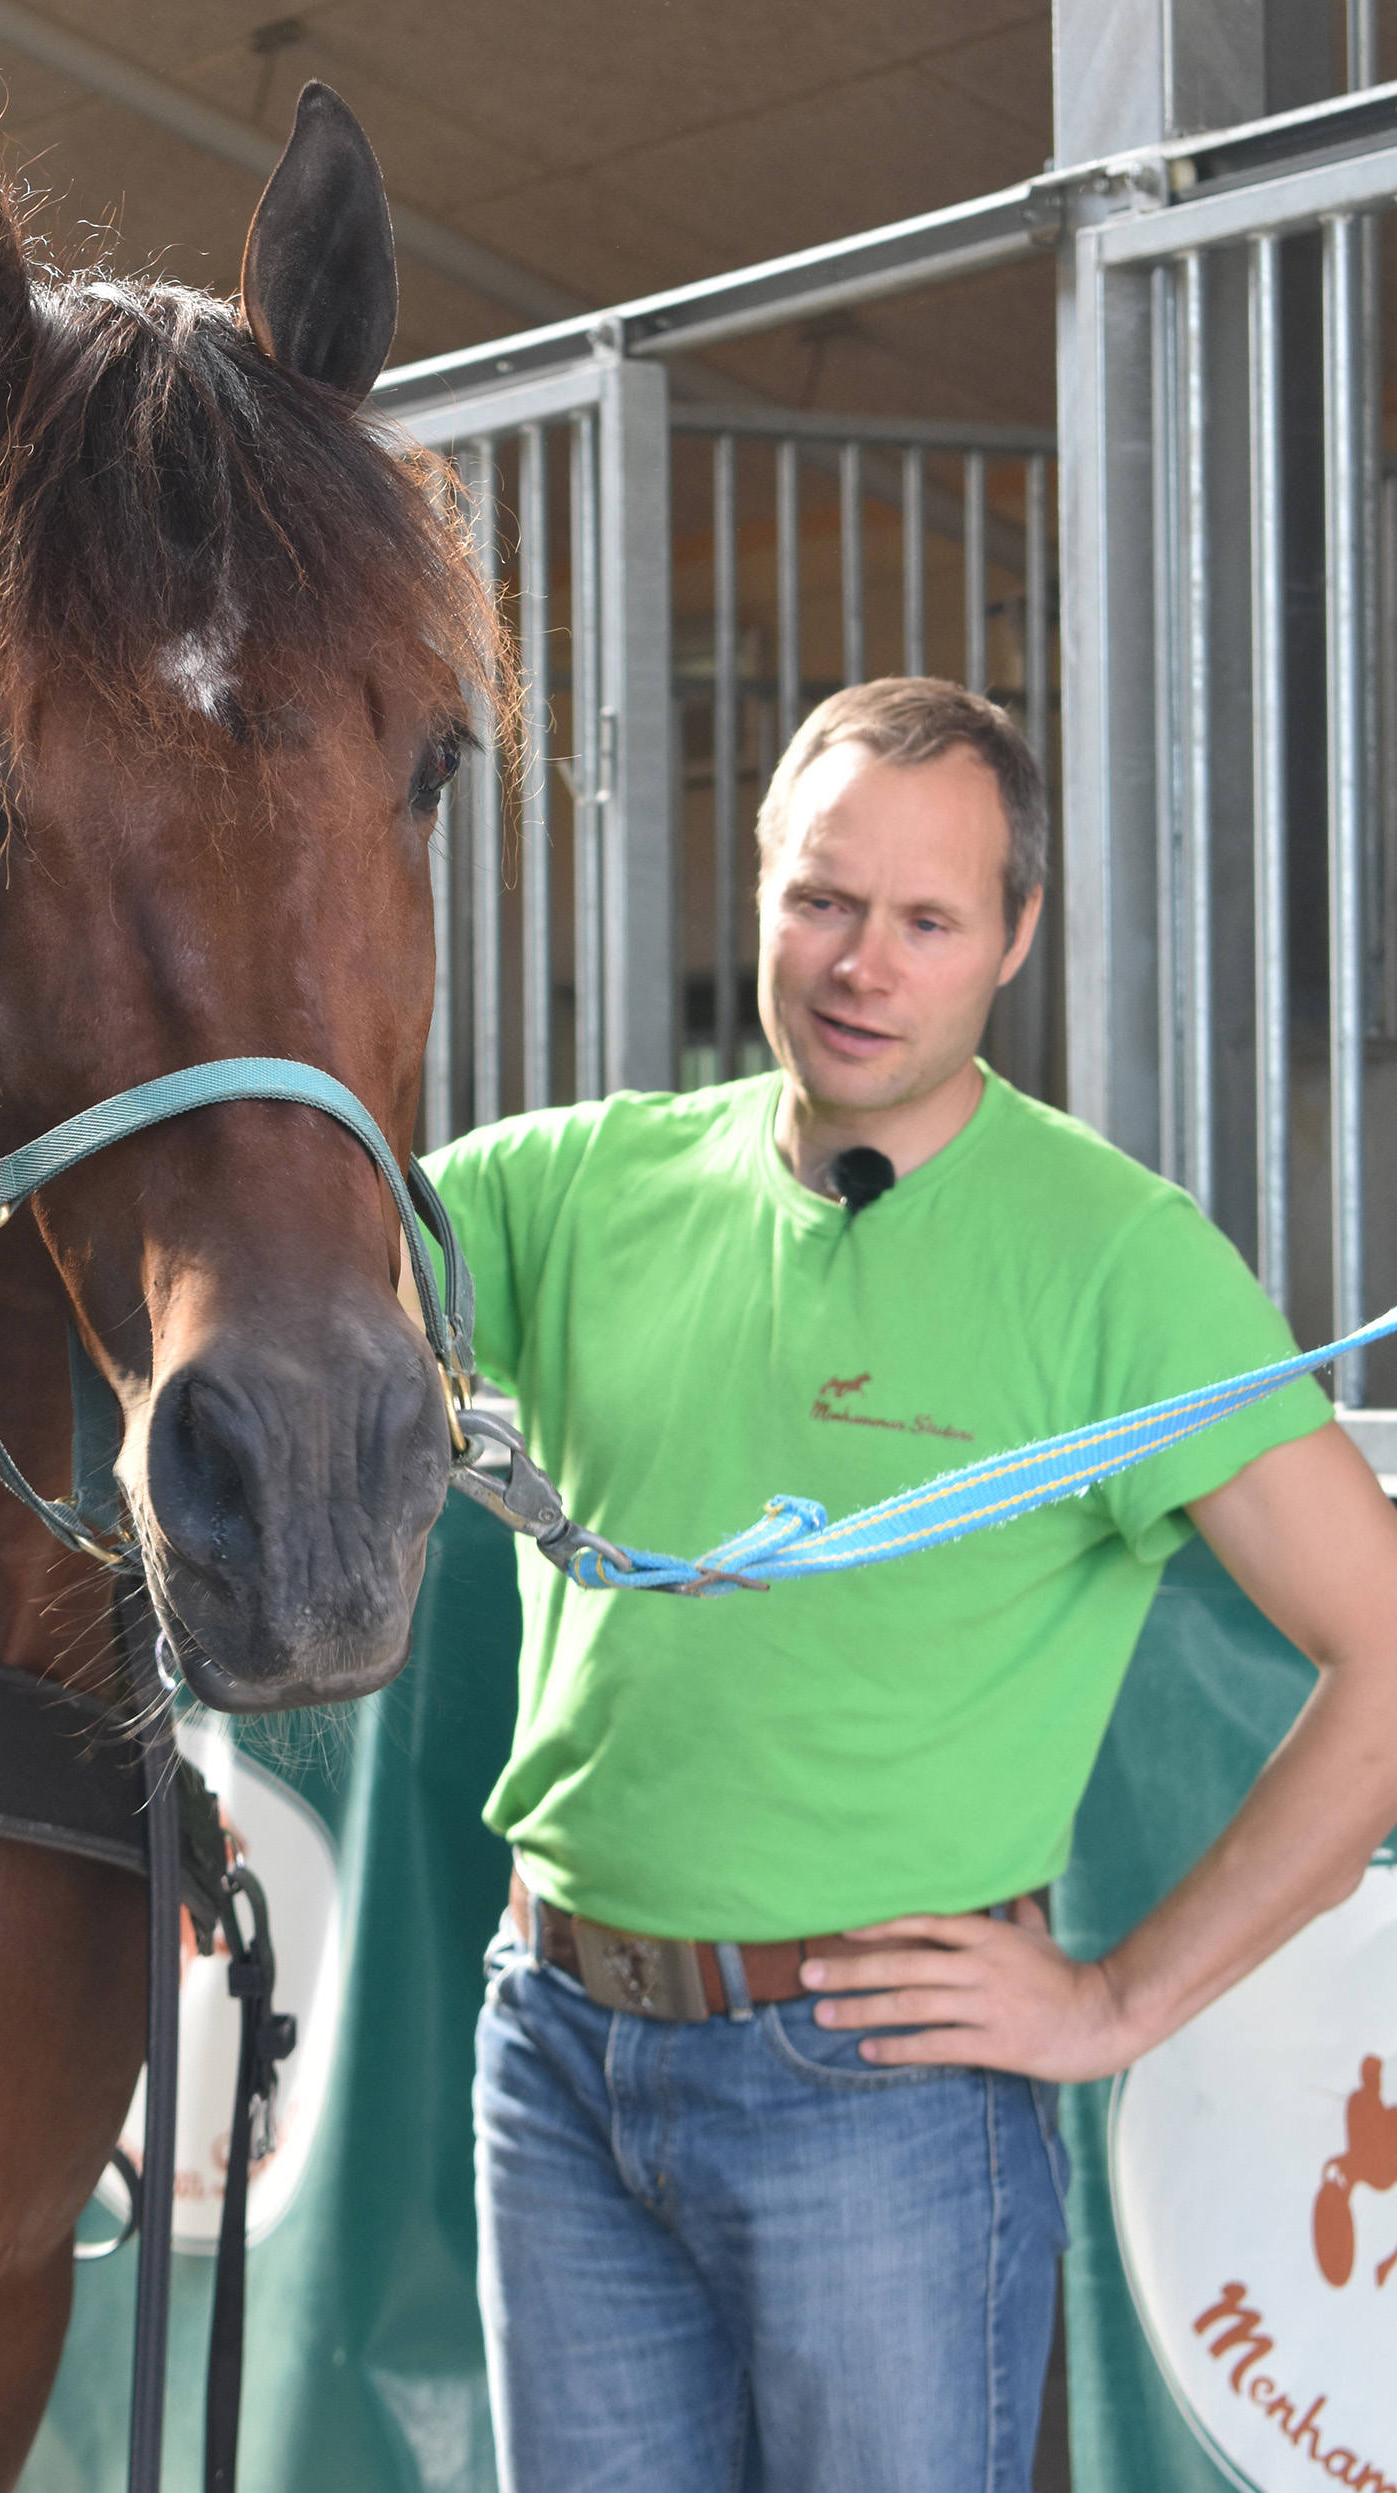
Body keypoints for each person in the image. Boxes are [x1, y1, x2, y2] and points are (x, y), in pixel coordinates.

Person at [422, 677, 1397, 2493]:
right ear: (762, 893)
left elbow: (1389, 1655)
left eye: (927, 920)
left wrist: (1111, 2006)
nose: (862, 964)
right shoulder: (575, 1185)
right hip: (552, 2051)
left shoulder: (1120, 1262)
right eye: (823, 899)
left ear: (1014, 936)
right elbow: (271, 1255)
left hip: (874, 2094)